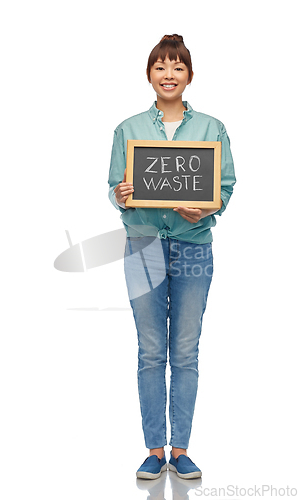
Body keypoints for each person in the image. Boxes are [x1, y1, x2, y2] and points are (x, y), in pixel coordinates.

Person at [108, 34, 236, 480]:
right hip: (143, 244)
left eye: (177, 67)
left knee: (184, 350)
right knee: (150, 351)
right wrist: (122, 195)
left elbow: (226, 188)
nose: (168, 75)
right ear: (149, 75)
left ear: (189, 76)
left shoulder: (211, 128)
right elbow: (114, 187)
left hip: (193, 244)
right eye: (161, 67)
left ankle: (180, 450)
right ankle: (153, 450)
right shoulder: (128, 129)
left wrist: (206, 205)